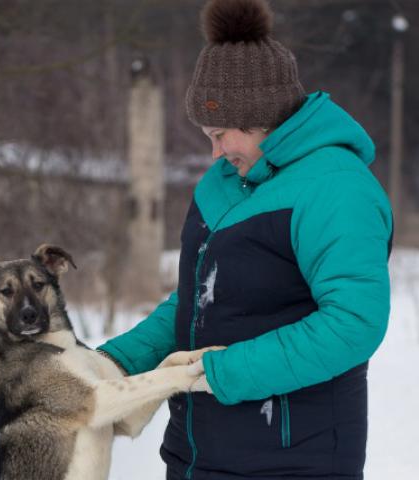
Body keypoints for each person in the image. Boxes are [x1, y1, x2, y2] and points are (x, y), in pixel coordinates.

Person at [97, 0, 393, 479]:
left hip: (294, 460)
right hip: (199, 455)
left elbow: (353, 322)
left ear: (261, 120)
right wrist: (113, 362)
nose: (213, 151)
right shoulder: (222, 182)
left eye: (219, 134)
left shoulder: (336, 187)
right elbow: (197, 302)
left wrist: (221, 372)